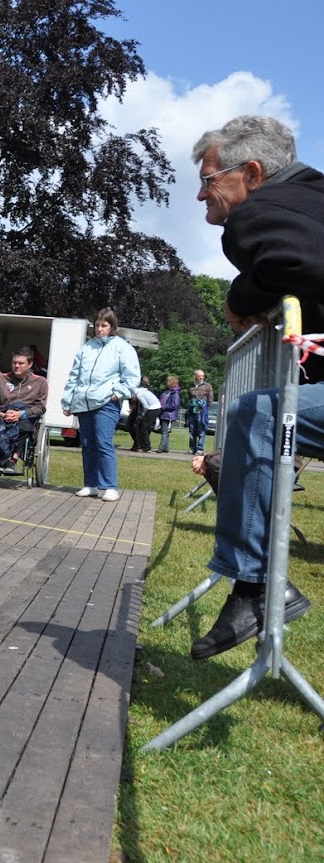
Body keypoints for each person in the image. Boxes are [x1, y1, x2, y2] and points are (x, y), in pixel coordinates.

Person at [185, 115, 319, 659]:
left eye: (210, 179)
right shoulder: (312, 198)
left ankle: (257, 585)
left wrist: (243, 293)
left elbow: (301, 261)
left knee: (256, 415)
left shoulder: (260, 212)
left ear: (254, 174)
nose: (200, 194)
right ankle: (258, 587)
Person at [60, 308, 139, 502]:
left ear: (112, 327)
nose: (99, 329)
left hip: (106, 403)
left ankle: (110, 486)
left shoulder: (122, 347)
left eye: (104, 325)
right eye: (97, 325)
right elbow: (74, 376)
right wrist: (68, 400)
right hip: (83, 403)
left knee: (103, 442)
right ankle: (91, 485)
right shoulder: (87, 348)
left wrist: (117, 394)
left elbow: (131, 375)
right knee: (87, 444)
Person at [0, 347, 48, 472]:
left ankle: (13, 459)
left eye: (21, 363)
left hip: (25, 415)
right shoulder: (0, 379)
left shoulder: (40, 382)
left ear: (30, 364)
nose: (17, 366)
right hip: (2, 414)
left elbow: (40, 407)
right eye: (14, 363)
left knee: (24, 427)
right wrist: (2, 414)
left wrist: (20, 414)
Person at [129, 377, 161, 453]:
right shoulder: (141, 390)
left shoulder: (139, 394)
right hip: (155, 407)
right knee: (141, 427)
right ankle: (143, 446)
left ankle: (146, 447)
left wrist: (142, 415)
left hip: (153, 408)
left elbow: (145, 406)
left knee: (144, 428)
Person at [187, 369, 215, 454]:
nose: (201, 377)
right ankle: (192, 448)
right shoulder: (191, 386)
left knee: (201, 429)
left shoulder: (207, 386)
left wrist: (208, 408)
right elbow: (189, 397)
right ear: (195, 376)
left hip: (202, 410)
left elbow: (211, 397)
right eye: (199, 376)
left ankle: (200, 449)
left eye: (202, 376)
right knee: (192, 430)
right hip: (192, 410)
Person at [157, 374, 182, 453]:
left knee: (164, 432)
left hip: (168, 414)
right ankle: (166, 448)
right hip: (164, 413)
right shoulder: (167, 392)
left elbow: (174, 405)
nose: (166, 382)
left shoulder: (175, 393)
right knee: (165, 432)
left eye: (168, 381)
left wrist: (163, 407)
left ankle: (160, 448)